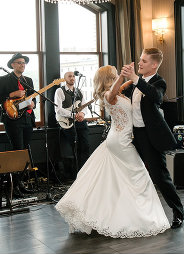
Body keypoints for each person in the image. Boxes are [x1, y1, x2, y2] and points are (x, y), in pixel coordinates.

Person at [55, 65, 170, 238]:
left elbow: (126, 85)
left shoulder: (116, 92)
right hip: (121, 141)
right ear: (110, 78)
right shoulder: (109, 95)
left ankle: (118, 212)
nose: (118, 76)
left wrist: (137, 76)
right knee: (139, 175)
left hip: (117, 139)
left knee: (118, 179)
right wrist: (123, 76)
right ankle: (139, 218)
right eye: (115, 74)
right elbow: (116, 89)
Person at [120, 48, 184, 229]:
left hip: (151, 136)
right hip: (134, 135)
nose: (140, 63)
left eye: (144, 61)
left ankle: (178, 212)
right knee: (133, 174)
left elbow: (156, 97)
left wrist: (135, 79)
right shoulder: (134, 84)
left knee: (160, 176)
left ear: (154, 65)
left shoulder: (158, 82)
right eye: (140, 60)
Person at [0, 52, 36, 193]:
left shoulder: (28, 80)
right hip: (12, 119)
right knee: (17, 150)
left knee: (25, 150)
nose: (22, 65)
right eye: (19, 63)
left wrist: (33, 104)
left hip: (27, 118)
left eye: (24, 63)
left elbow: (32, 98)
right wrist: (12, 94)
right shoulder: (4, 79)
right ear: (12, 65)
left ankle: (21, 183)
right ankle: (14, 186)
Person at [54, 71, 92, 178]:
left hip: (80, 121)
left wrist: (82, 114)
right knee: (76, 147)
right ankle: (77, 175)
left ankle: (85, 173)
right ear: (65, 78)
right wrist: (73, 115)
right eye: (69, 76)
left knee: (85, 146)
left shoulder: (79, 91)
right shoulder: (59, 91)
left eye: (73, 76)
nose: (72, 78)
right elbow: (58, 109)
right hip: (67, 123)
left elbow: (84, 106)